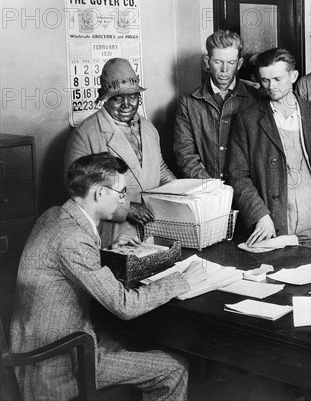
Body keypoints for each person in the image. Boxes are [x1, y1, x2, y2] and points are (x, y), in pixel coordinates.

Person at [10, 153, 196, 400]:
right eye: (120, 192)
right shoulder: (74, 239)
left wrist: (107, 250)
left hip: (34, 349)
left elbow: (69, 261)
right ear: (99, 193)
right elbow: (125, 305)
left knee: (134, 345)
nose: (123, 200)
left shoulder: (55, 215)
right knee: (174, 368)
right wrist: (182, 280)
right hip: (58, 365)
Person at [228, 48, 311, 249]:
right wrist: (259, 215)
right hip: (273, 222)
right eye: (265, 80)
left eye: (278, 79)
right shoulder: (247, 120)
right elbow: (238, 175)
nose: (271, 87)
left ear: (294, 76)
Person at [64, 58, 176, 246]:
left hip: (153, 230)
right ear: (104, 97)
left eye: (132, 96)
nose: (126, 104)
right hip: (112, 235)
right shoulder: (85, 133)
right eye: (117, 98)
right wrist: (127, 209)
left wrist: (187, 192)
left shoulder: (148, 128)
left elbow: (160, 168)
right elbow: (77, 190)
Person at [173, 30, 260, 180]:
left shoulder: (255, 98)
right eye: (218, 62)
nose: (224, 69)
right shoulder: (188, 102)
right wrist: (211, 188)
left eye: (231, 63)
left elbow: (261, 153)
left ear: (239, 64)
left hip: (248, 191)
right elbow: (185, 155)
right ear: (207, 62)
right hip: (207, 192)